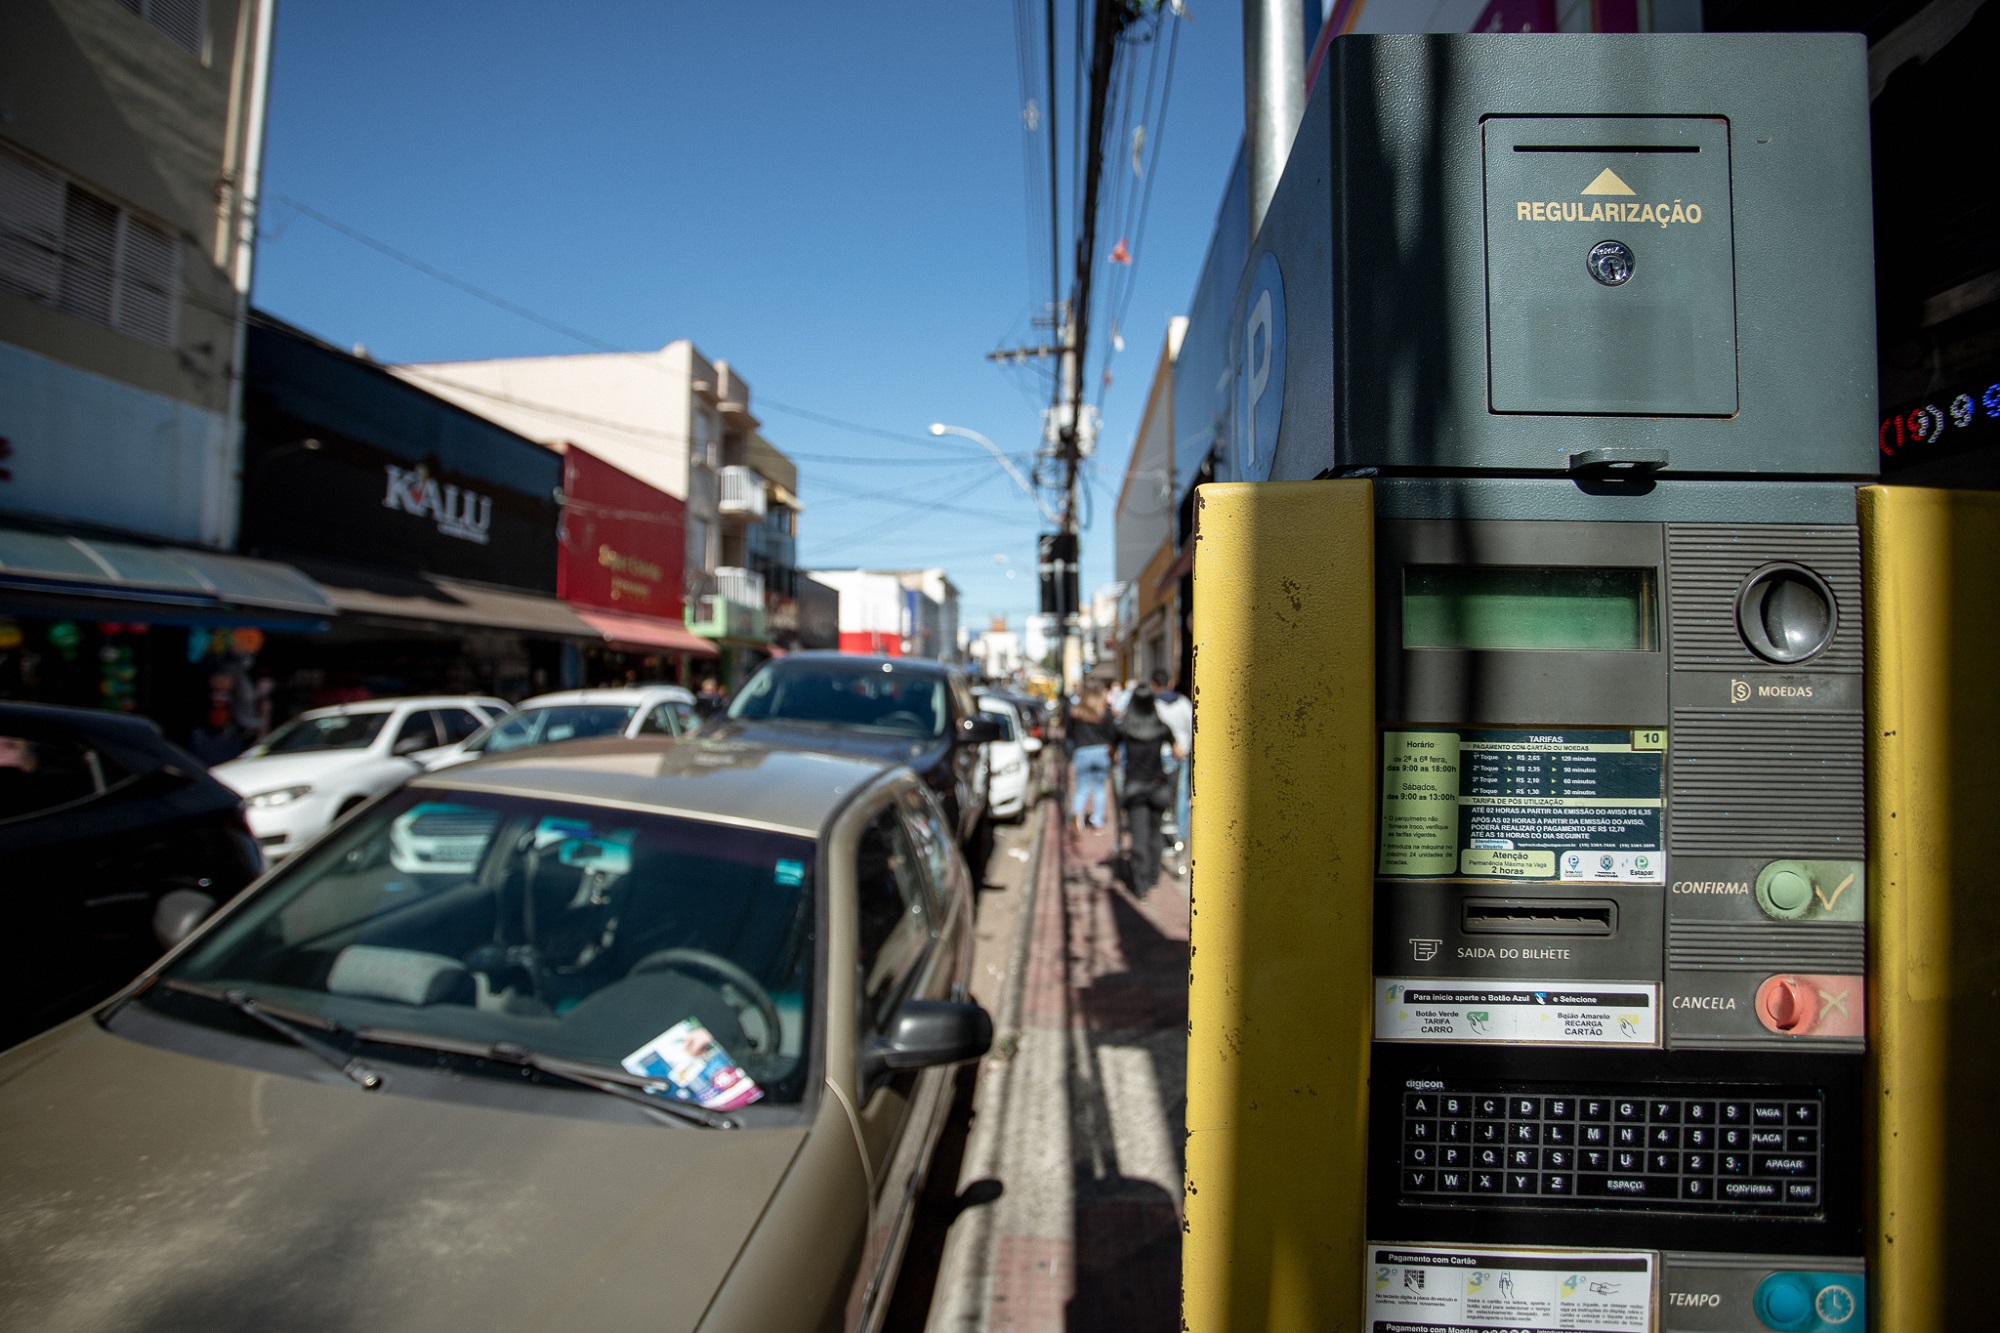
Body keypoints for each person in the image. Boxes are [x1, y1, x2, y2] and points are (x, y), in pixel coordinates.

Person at [1114, 685, 1172, 894]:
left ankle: (1140, 884)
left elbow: (1112, 752)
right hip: (1158, 785)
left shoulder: (1124, 728)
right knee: (1155, 834)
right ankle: (1154, 874)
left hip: (1135, 787)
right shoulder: (1161, 728)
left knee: (1138, 837)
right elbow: (1178, 750)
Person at [1066, 679, 1117, 833]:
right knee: (1099, 788)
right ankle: (1097, 821)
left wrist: (1070, 752)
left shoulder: (1076, 712)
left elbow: (1069, 734)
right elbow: (1113, 734)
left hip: (1082, 752)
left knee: (1081, 788)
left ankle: (1078, 814)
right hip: (1101, 752)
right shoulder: (1106, 712)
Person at [1151, 669, 1193, 849]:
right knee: (1180, 795)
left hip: (1161, 755)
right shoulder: (1184, 703)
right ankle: (1180, 835)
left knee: (1161, 794)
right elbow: (1193, 727)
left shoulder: (1153, 705)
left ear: (1154, 685)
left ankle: (1161, 831)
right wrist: (1185, 748)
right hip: (1181, 754)